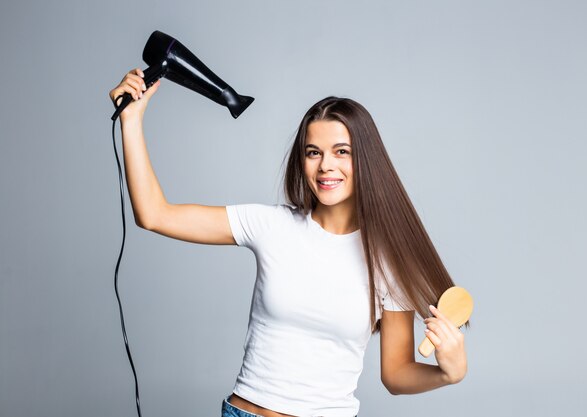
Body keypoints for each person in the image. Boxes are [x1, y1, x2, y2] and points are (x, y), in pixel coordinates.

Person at [109, 68, 468, 417]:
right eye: (314, 152)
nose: (326, 165)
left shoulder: (388, 262)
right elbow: (154, 214)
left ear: (366, 160)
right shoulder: (271, 225)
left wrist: (448, 373)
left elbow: (395, 374)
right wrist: (132, 120)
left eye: (342, 151)